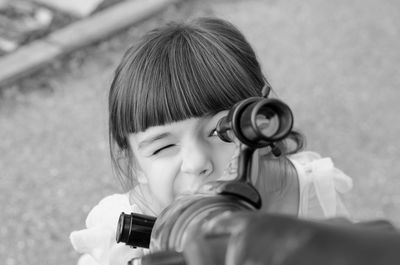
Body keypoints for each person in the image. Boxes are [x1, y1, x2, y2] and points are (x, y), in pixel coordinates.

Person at [70, 17, 353, 265]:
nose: (197, 163)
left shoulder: (310, 192)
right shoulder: (116, 232)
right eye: (163, 147)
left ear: (263, 122)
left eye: (222, 131)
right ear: (134, 165)